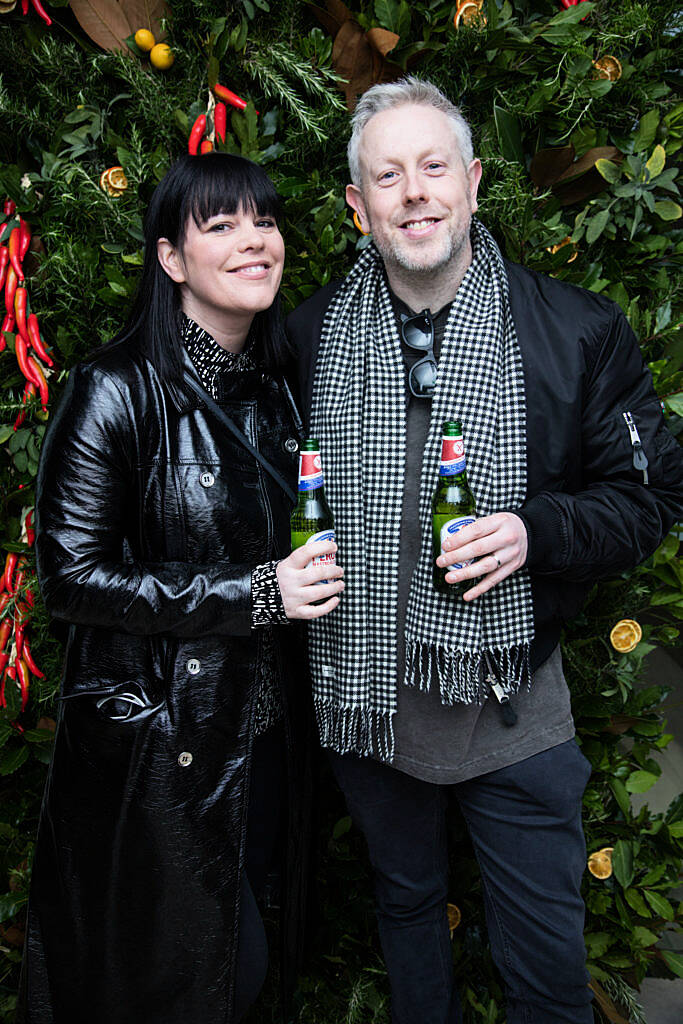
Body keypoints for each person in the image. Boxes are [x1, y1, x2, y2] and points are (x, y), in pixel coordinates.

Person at [286, 77, 683, 1024]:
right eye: (388, 175)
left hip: (515, 710)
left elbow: (653, 496)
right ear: (358, 206)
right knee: (408, 914)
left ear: (471, 183)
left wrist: (535, 531)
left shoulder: (575, 330)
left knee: (545, 970)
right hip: (366, 710)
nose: (413, 191)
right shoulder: (303, 338)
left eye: (432, 167)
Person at [19, 153, 344, 1024]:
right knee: (196, 979)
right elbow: (72, 579)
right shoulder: (112, 388)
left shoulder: (279, 390)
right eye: (221, 225)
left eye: (264, 222)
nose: (254, 242)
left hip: (267, 733)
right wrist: (256, 593)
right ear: (171, 260)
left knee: (250, 970)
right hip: (159, 742)